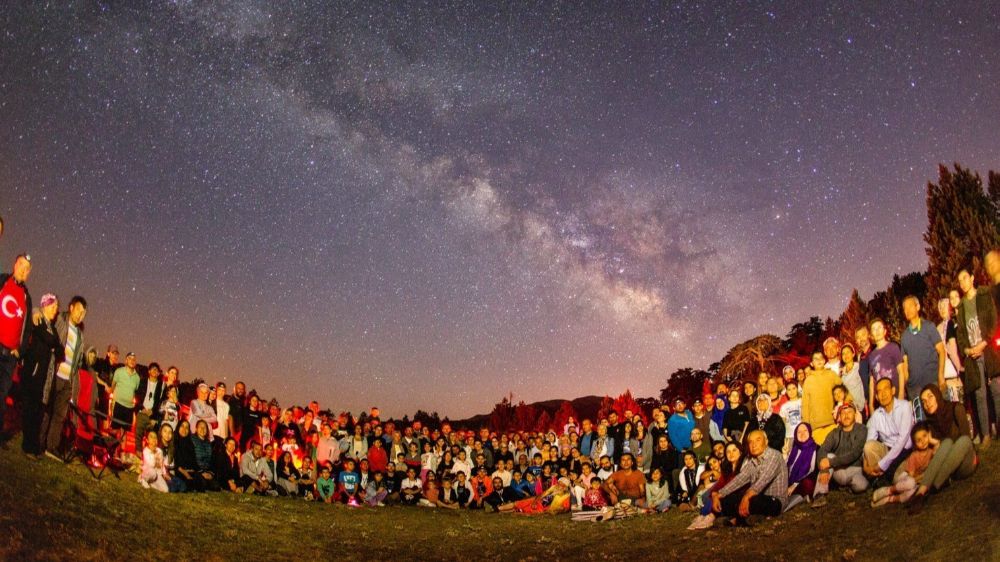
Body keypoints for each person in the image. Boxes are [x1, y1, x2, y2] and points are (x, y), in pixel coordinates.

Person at [906, 384, 977, 513]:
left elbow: (968, 441)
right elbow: (933, 456)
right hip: (950, 471)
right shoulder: (929, 424)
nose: (927, 403)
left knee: (963, 441)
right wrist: (935, 444)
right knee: (946, 443)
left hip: (966, 462)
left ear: (938, 396)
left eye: (930, 397)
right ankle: (921, 493)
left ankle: (933, 485)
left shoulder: (956, 408)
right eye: (924, 401)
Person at [955, 267, 999, 447]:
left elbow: (993, 321)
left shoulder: (984, 296)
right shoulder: (960, 307)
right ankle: (986, 434)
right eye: (960, 280)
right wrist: (967, 350)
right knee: (979, 395)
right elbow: (961, 336)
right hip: (973, 355)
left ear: (972, 278)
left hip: (988, 350)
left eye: (965, 278)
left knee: (997, 390)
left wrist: (983, 343)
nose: (963, 283)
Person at [709, 430, 788, 527]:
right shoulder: (753, 460)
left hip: (775, 501)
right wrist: (719, 494)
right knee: (727, 499)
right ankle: (748, 518)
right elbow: (740, 479)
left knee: (753, 501)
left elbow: (762, 481)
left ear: (766, 442)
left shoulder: (774, 456)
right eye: (750, 442)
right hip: (756, 497)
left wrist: (746, 497)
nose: (753, 444)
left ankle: (738, 519)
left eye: (758, 440)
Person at [19, 293, 61, 458]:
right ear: (45, 306)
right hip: (36, 371)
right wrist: (53, 344)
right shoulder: (38, 320)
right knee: (31, 410)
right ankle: (27, 446)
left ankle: (34, 445)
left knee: (38, 412)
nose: (55, 310)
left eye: (56, 308)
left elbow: (59, 348)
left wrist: (54, 345)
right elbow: (48, 339)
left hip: (47, 376)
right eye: (53, 307)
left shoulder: (53, 327)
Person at [0, 254, 32, 438]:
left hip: (10, 356)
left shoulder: (27, 297)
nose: (23, 269)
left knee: (2, 395)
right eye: (21, 264)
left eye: (27, 268)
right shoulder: (2, 281)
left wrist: (20, 351)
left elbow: (27, 329)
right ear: (14, 264)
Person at [812, 403, 868, 506]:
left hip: (855, 468)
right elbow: (822, 450)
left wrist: (831, 462)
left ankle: (847, 487)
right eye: (843, 413)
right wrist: (824, 469)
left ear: (855, 414)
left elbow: (855, 454)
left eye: (849, 412)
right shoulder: (834, 433)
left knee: (861, 486)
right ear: (839, 417)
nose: (846, 415)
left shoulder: (862, 429)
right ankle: (819, 494)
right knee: (828, 456)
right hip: (839, 470)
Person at [899, 295, 945, 420]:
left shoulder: (929, 327)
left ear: (918, 307)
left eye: (910, 306)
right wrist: (907, 385)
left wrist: (941, 376)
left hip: (932, 381)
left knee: (938, 417)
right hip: (915, 388)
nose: (907, 310)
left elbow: (941, 351)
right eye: (904, 308)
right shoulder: (904, 336)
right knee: (922, 424)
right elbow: (905, 363)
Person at [871, 422, 936, 508]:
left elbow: (938, 448)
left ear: (929, 434)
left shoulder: (931, 451)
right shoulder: (914, 456)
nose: (923, 441)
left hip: (917, 481)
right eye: (919, 440)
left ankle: (889, 499)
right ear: (915, 443)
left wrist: (932, 439)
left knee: (912, 493)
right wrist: (923, 476)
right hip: (904, 476)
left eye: (925, 436)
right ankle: (888, 490)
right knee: (911, 483)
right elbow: (911, 477)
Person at [864, 378, 914, 488]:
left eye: (886, 389)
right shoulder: (876, 415)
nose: (883, 394)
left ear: (893, 390)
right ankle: (878, 478)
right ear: (876, 396)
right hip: (887, 450)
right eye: (879, 391)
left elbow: (903, 440)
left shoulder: (904, 407)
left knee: (900, 480)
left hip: (903, 453)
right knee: (869, 446)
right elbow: (869, 441)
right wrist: (865, 465)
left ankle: (884, 479)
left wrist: (881, 465)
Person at [687, 442, 745, 530]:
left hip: (736, 496)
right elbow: (719, 484)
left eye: (734, 450)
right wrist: (714, 494)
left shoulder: (744, 466)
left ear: (740, 452)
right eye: (728, 452)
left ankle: (712, 516)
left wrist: (718, 494)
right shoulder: (727, 468)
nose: (731, 454)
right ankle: (705, 515)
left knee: (721, 499)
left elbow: (734, 485)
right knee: (710, 496)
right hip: (723, 494)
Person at [801, 351, 842, 445]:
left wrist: (848, 404)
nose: (819, 360)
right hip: (816, 427)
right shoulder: (808, 381)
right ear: (811, 363)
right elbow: (805, 406)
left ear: (824, 361)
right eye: (816, 359)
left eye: (821, 358)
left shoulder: (832, 375)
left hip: (832, 422)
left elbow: (843, 391)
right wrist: (806, 426)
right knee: (822, 454)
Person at [867, 319, 906, 414]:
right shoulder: (871, 356)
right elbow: (872, 382)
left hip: (896, 396)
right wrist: (871, 404)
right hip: (883, 401)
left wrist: (901, 394)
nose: (877, 330)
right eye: (874, 329)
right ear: (871, 336)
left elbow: (901, 371)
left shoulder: (893, 347)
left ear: (885, 331)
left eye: (879, 327)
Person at [936, 297, 964, 403]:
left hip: (956, 367)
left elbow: (954, 346)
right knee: (951, 403)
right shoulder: (938, 328)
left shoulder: (954, 322)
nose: (942, 309)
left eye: (944, 306)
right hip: (945, 370)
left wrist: (959, 365)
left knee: (960, 402)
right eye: (940, 307)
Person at [109, 352, 141, 445]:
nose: (132, 361)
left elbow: (135, 392)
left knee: (124, 433)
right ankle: (112, 451)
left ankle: (121, 455)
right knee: (114, 431)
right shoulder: (119, 371)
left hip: (129, 408)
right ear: (126, 360)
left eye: (134, 359)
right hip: (118, 404)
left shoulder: (137, 378)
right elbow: (113, 387)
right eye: (130, 358)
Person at [785, 423, 818, 509]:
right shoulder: (794, 448)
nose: (802, 434)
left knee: (807, 484)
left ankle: (797, 498)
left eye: (805, 431)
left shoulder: (815, 448)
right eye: (799, 432)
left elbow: (813, 471)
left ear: (810, 432)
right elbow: (788, 467)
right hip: (790, 482)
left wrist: (796, 484)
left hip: (804, 482)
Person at [497, 476, 571, 515]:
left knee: (521, 510)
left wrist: (555, 511)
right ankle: (498, 509)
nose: (559, 486)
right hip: (537, 501)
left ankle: (501, 511)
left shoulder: (566, 497)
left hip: (543, 508)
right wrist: (535, 501)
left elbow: (564, 508)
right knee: (517, 504)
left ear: (565, 488)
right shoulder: (553, 487)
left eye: (562, 485)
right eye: (559, 483)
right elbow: (542, 494)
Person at [133, 362, 164, 450]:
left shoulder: (161, 386)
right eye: (153, 369)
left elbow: (161, 402)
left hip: (152, 415)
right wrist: (141, 408)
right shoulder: (142, 381)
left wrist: (153, 412)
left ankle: (149, 457)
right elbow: (137, 395)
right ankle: (138, 456)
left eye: (156, 370)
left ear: (158, 373)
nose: (155, 371)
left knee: (152, 437)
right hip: (142, 412)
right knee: (138, 436)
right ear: (149, 371)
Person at [839, 344, 866, 417]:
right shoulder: (841, 373)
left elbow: (865, 385)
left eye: (848, 352)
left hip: (861, 408)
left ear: (853, 354)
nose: (846, 355)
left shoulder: (859, 367)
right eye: (843, 354)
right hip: (849, 409)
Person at [778, 381, 802, 455]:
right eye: (789, 389)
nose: (791, 391)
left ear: (797, 389)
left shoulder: (803, 401)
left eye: (793, 388)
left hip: (802, 435)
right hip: (790, 436)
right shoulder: (784, 406)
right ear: (786, 391)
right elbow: (783, 424)